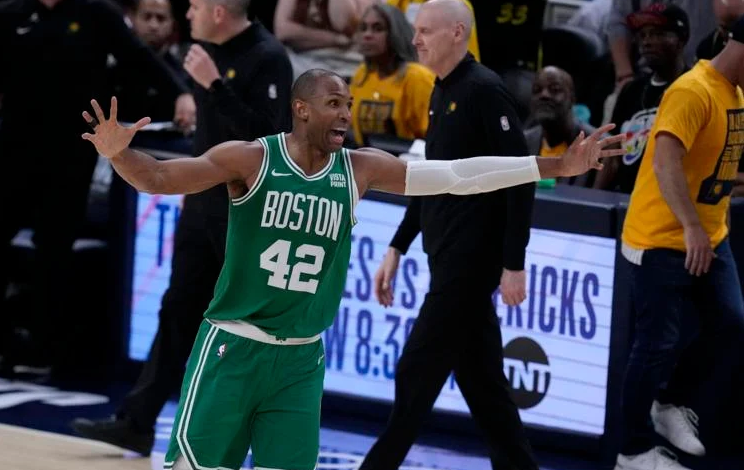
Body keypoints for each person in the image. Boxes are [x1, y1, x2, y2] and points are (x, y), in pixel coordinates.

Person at [78, 68, 623, 470]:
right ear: (301, 109)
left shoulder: (358, 170)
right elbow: (160, 179)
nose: (345, 113)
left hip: (299, 361)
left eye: (350, 103)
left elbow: (457, 175)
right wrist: (119, 155)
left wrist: (556, 165)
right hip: (233, 349)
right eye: (335, 103)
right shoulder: (250, 159)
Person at [70, 0, 293, 456]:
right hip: (200, 208)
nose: (187, 14)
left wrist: (214, 86)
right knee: (176, 313)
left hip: (245, 216)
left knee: (240, 328)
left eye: (193, 6)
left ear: (217, 11)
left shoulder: (268, 57)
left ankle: (252, 435)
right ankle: (137, 420)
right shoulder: (203, 52)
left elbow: (271, 140)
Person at [358, 0, 539, 469]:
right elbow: (429, 181)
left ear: (457, 33)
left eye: (425, 31)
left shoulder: (485, 91)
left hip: (470, 265)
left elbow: (522, 177)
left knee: (415, 371)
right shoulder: (442, 92)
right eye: (415, 31)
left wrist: (513, 262)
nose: (414, 39)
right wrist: (398, 244)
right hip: (446, 257)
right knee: (486, 391)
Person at [0, 0, 194, 376]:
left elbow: (138, 57)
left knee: (53, 249)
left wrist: (180, 93)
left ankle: (41, 347)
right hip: (13, 147)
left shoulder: (96, 13)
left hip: (70, 152)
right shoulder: (11, 13)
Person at [615, 14, 744, 470]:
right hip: (660, 236)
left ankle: (669, 405)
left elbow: (714, 165)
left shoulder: (735, 93)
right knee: (656, 344)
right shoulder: (693, 90)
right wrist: (690, 225)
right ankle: (631, 450)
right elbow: (665, 161)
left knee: (730, 321)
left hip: (712, 234)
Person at [594, 3, 689, 194]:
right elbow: (612, 155)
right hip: (626, 199)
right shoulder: (632, 90)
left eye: (657, 34)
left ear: (679, 40)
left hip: (670, 201)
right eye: (643, 35)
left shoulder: (693, 88)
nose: (646, 42)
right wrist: (594, 197)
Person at [348, 2, 434, 147]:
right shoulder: (362, 74)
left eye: (378, 28)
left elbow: (432, 137)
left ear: (396, 33)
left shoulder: (417, 77)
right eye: (363, 28)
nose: (368, 35)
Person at [525, 66, 597, 187]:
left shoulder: (598, 146)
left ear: (572, 98)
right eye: (537, 90)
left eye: (555, 89)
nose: (544, 95)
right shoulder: (522, 142)